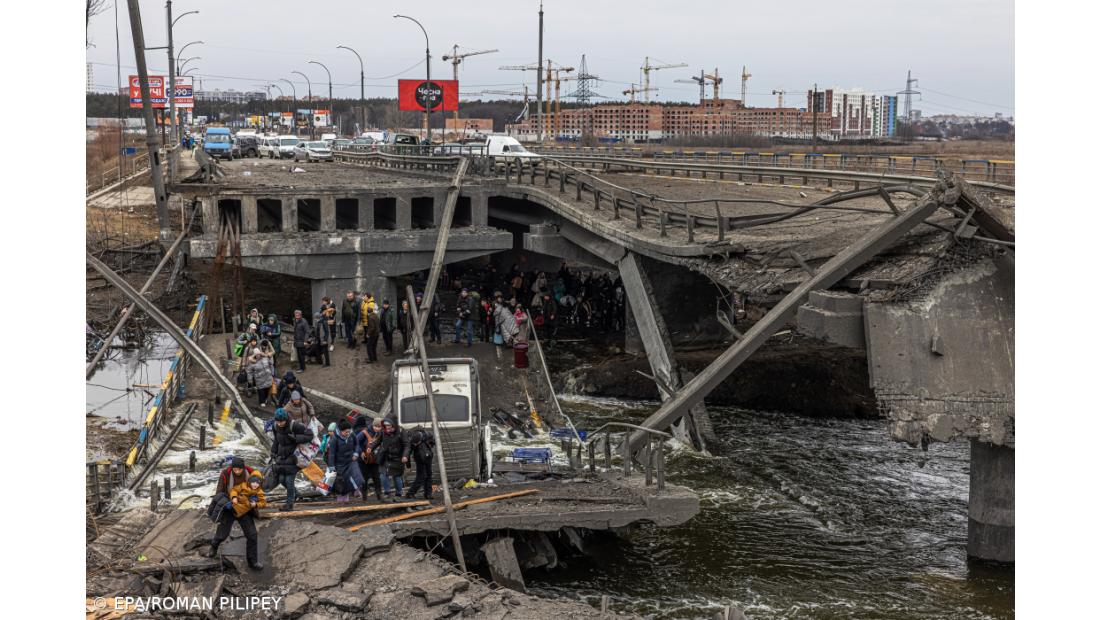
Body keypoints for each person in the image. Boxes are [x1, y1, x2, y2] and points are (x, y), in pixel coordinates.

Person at [206, 470, 265, 570]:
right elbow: (233, 490)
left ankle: (253, 561)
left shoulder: (259, 492)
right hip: (232, 510)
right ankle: (214, 546)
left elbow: (263, 503)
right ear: (249, 481)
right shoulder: (242, 485)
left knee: (252, 535)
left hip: (244, 513)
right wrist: (233, 497)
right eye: (253, 482)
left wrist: (256, 504)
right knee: (222, 534)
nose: (255, 484)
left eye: (257, 483)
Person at [269, 408, 313, 511]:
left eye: (282, 421)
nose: (280, 423)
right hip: (281, 458)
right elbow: (276, 441)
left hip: (294, 458)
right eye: (278, 421)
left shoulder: (295, 425)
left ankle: (289, 505)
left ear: (286, 419)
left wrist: (296, 438)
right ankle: (296, 494)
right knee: (281, 480)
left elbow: (310, 435)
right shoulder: (275, 426)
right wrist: (273, 452)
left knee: (289, 481)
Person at [369, 417, 407, 501]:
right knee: (383, 475)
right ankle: (387, 493)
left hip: (397, 458)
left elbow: (407, 445)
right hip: (385, 457)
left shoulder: (401, 431)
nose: (388, 428)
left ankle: (398, 493)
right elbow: (377, 441)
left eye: (389, 426)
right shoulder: (383, 432)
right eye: (386, 426)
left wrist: (405, 456)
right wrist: (371, 447)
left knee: (397, 476)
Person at [328, 419, 366, 502]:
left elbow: (357, 444)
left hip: (351, 460)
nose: (348, 434)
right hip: (340, 463)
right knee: (343, 481)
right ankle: (343, 499)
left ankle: (356, 490)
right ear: (340, 431)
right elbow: (332, 453)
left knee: (358, 477)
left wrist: (356, 453)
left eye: (349, 431)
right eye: (346, 432)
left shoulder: (352, 435)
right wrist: (331, 466)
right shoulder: (335, 439)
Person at [355, 417, 384, 501]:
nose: (377, 428)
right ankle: (364, 497)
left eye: (379, 427)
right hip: (364, 460)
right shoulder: (364, 432)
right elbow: (356, 442)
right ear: (373, 425)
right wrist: (361, 452)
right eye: (376, 426)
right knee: (364, 478)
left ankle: (379, 495)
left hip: (375, 459)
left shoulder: (382, 433)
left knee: (377, 477)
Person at [404, 427, 435, 500]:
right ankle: (410, 493)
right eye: (414, 444)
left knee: (429, 475)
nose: (415, 445)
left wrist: (431, 445)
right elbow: (407, 453)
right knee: (421, 476)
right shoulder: (410, 441)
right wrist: (408, 466)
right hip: (419, 459)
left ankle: (428, 494)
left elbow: (433, 441)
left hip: (428, 457)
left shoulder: (427, 435)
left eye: (416, 443)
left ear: (420, 439)